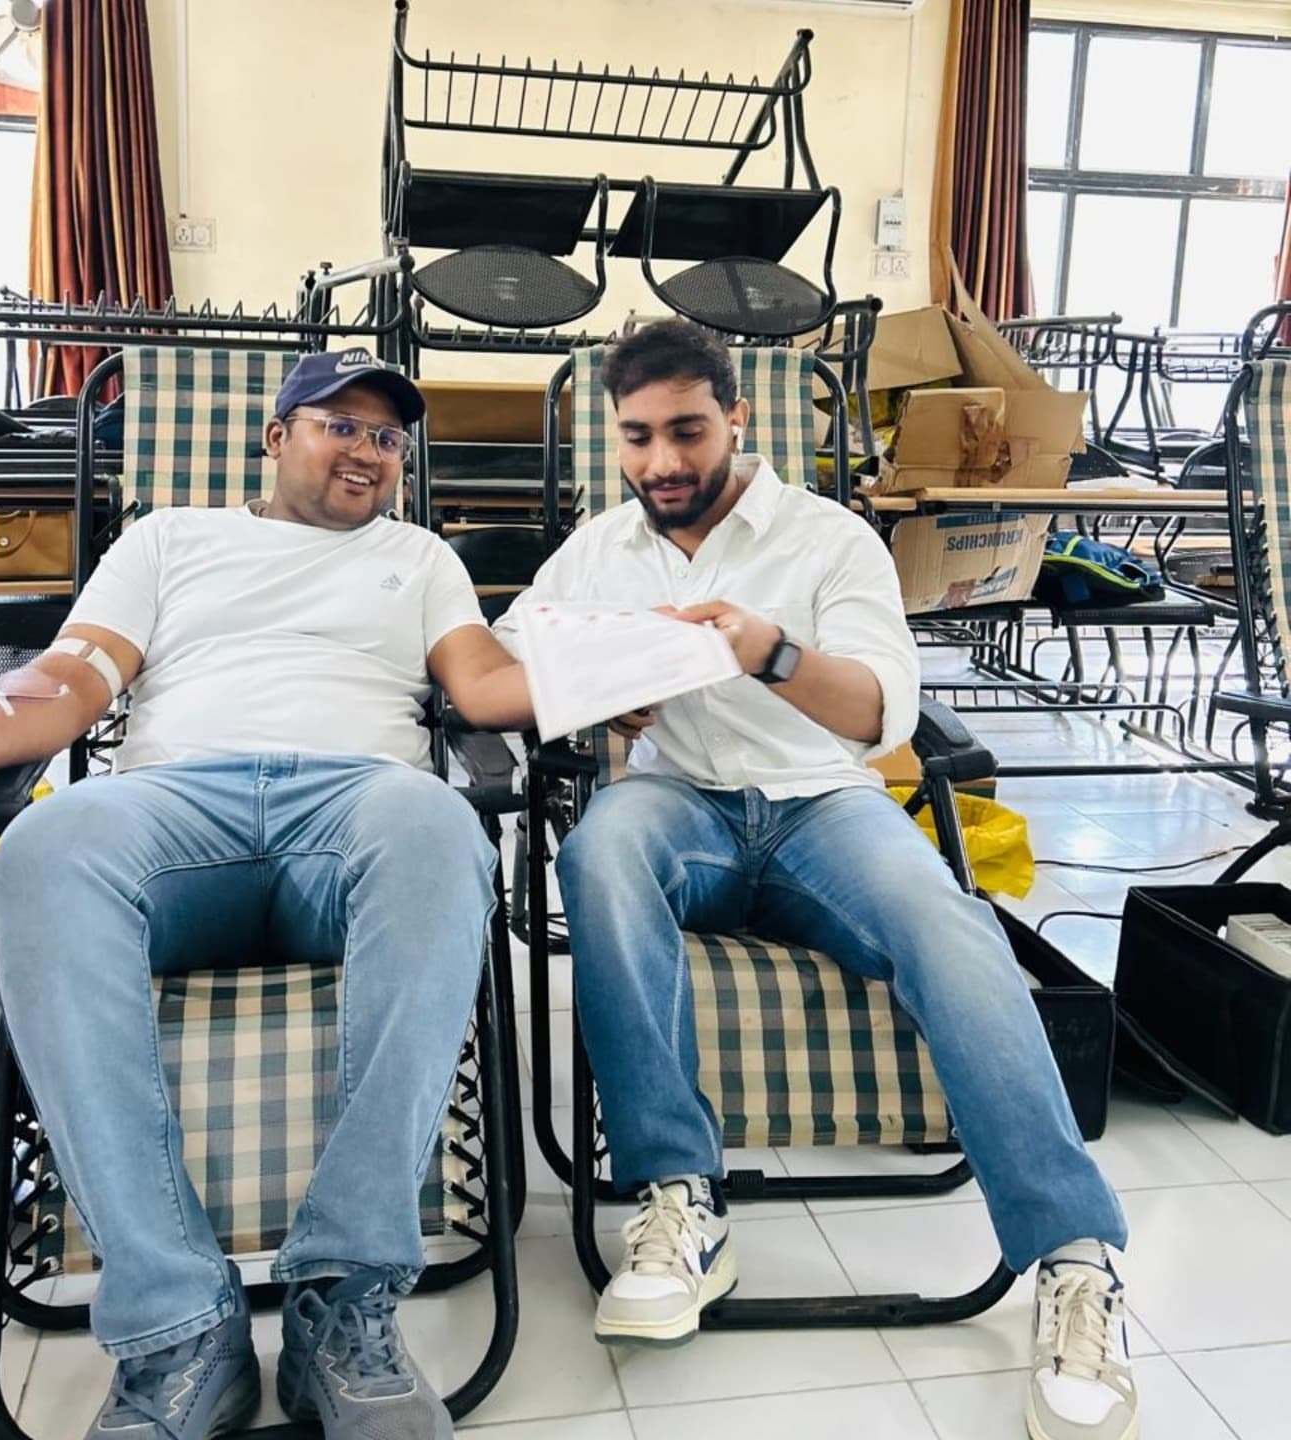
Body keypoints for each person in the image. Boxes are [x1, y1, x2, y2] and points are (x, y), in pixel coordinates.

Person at [495, 321, 1137, 1440]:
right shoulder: (599, 550)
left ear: (737, 418)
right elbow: (513, 662)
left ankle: (1075, 1257)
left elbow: (882, 714)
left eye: (687, 431)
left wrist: (768, 652)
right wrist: (592, 695)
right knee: (598, 851)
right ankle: (680, 1198)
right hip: (678, 801)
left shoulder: (830, 539)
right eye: (638, 438)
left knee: (949, 919)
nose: (662, 462)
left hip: (821, 806)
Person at [0, 348, 534, 1440]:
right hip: (174, 806)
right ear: (276, 438)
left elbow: (485, 682)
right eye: (340, 426)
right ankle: (177, 1328)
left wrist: (625, 672)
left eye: (386, 438)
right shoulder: (169, 539)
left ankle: (345, 1301)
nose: (368, 451)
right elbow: (72, 673)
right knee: (44, 845)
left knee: (439, 825)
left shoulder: (421, 556)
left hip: (355, 806)